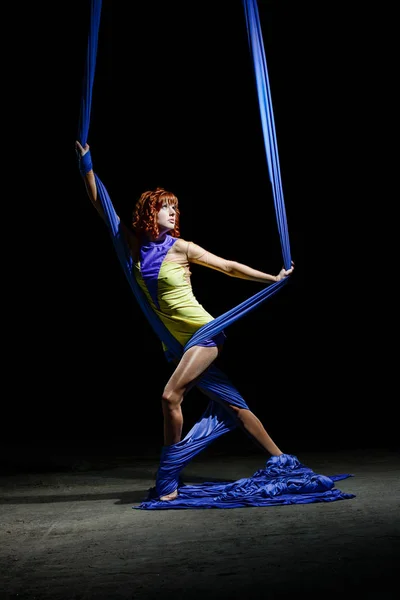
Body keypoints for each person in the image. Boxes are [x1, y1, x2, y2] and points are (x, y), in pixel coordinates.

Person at [75, 140, 295, 501]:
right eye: (167, 208)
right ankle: (282, 459)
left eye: (176, 208)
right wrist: (86, 164)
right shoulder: (130, 246)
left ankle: (168, 481)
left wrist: (271, 278)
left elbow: (227, 266)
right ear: (151, 211)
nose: (174, 213)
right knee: (235, 407)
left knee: (169, 396)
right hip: (176, 344)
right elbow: (100, 202)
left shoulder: (182, 248)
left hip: (203, 334)